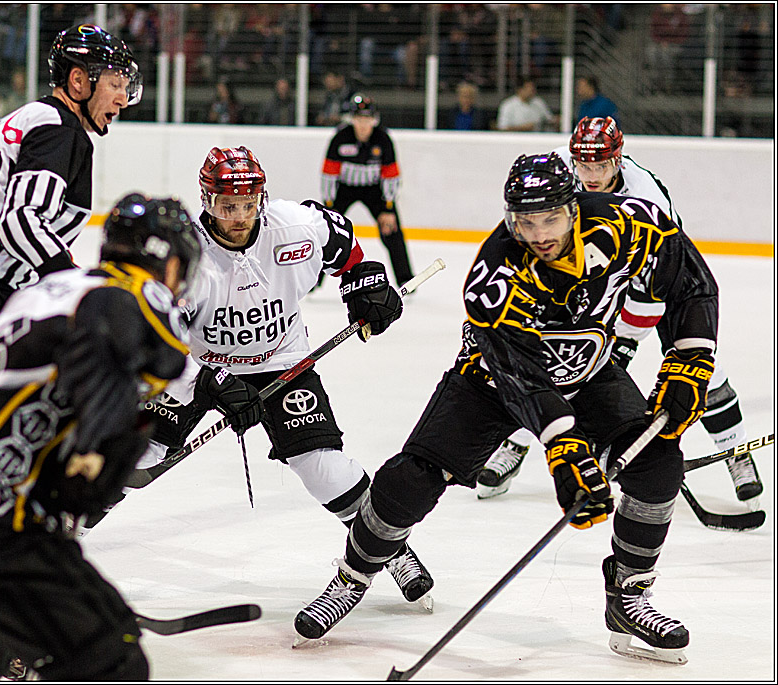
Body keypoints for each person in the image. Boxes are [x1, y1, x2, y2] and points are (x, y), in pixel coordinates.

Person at [295, 152, 719, 667]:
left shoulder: (632, 223)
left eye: (550, 219)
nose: (539, 233)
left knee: (657, 462)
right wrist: (565, 448)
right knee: (410, 481)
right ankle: (354, 575)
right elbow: (522, 380)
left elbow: (690, 285)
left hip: (589, 372)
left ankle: (628, 593)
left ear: (574, 208)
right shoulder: (492, 275)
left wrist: (689, 362)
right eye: (526, 222)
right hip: (491, 382)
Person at [0, 193, 200, 681]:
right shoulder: (132, 293)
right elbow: (124, 352)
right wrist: (93, 450)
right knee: (109, 657)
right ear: (166, 261)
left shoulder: (54, 287)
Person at [90, 146, 433, 609]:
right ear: (207, 200)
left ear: (262, 199)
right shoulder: (184, 252)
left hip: (282, 360)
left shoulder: (296, 226)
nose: (239, 216)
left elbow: (345, 246)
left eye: (248, 204)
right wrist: (204, 381)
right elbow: (155, 334)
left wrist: (365, 284)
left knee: (321, 467)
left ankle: (388, 547)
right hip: (197, 366)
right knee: (132, 452)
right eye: (228, 206)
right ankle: (58, 530)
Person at [478, 116, 762, 503]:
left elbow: (660, 277)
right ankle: (517, 443)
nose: (590, 175)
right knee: (555, 360)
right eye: (584, 166)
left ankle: (737, 451)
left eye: (601, 166)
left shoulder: (647, 196)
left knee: (701, 366)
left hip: (651, 277)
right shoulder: (560, 170)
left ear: (619, 159)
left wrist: (626, 337)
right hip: (585, 272)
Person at [0, 23, 142, 381]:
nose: (122, 99)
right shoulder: (59, 128)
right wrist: (76, 290)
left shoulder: (26, 120)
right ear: (78, 81)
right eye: (115, 84)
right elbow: (21, 221)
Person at [319, 94, 413, 287]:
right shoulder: (340, 138)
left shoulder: (383, 139)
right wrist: (329, 206)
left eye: (367, 119)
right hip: (344, 190)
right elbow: (328, 175)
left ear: (374, 119)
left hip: (375, 191)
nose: (363, 124)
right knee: (324, 230)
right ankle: (312, 279)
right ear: (352, 119)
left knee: (392, 230)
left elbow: (391, 176)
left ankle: (405, 278)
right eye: (359, 119)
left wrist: (388, 207)